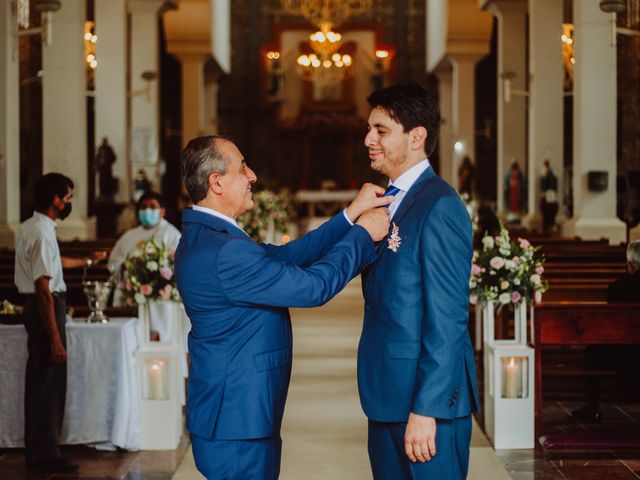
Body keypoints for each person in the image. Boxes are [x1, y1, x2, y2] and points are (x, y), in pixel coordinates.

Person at [174, 135, 392, 479]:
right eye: (243, 167)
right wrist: (363, 236)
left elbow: (288, 256)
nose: (253, 176)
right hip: (237, 419)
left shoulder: (212, 237)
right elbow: (313, 288)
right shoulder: (224, 251)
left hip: (236, 412)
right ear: (216, 182)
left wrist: (351, 215)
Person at [359, 84, 479, 479]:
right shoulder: (385, 199)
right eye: (370, 129)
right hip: (387, 396)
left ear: (417, 136)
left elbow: (448, 319)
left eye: (381, 130)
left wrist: (427, 409)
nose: (368, 140)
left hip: (424, 404)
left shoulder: (440, 206)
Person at [14, 173, 105, 472]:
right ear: (55, 200)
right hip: (45, 308)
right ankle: (46, 453)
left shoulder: (33, 227)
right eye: (67, 198)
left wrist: (87, 262)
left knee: (39, 382)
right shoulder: (41, 233)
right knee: (49, 385)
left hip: (38, 307)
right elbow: (43, 287)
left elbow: (52, 264)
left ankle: (37, 449)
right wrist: (55, 336)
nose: (68, 203)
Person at [573, 240, 640, 422]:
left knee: (592, 351)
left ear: (630, 264)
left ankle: (593, 407)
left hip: (624, 353)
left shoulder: (617, 288)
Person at [108, 191, 181, 307]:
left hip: (161, 295)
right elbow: (113, 261)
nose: (147, 211)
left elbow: (178, 263)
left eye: (152, 207)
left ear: (162, 211)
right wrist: (124, 265)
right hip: (131, 292)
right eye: (143, 207)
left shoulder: (171, 234)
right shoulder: (129, 236)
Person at [539, 160, 558, 235]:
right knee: (547, 215)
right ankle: (548, 228)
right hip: (548, 197)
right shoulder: (547, 172)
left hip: (549, 196)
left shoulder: (549, 173)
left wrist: (544, 192)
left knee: (549, 214)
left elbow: (549, 184)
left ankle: (550, 228)